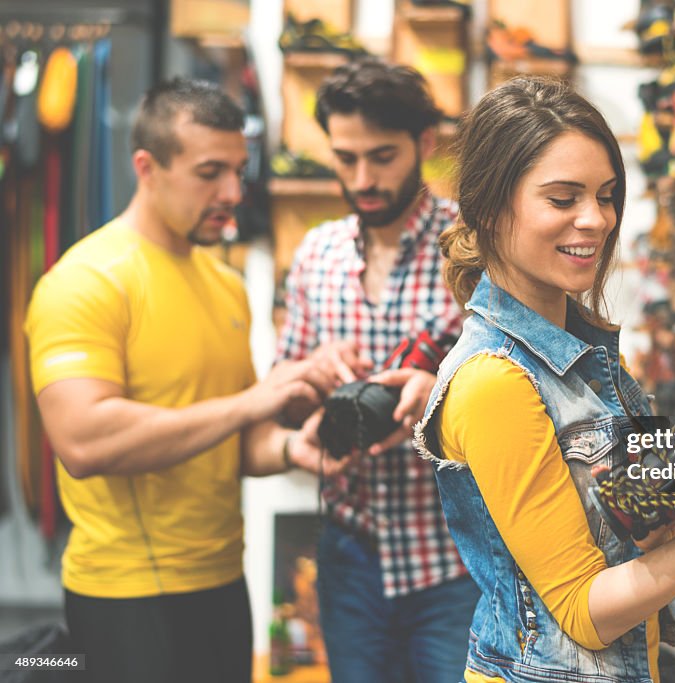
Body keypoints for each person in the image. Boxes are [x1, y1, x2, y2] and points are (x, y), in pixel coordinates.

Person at [413, 76, 675, 683]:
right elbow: (585, 613)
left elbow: (636, 541)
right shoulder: (493, 383)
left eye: (606, 195)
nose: (596, 220)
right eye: (563, 199)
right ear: (486, 207)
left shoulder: (589, 357)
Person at [24, 78, 332, 683]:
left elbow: (233, 439)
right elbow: (84, 441)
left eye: (239, 171)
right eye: (209, 172)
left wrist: (297, 447)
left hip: (221, 581)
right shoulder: (85, 282)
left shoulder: (223, 283)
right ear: (148, 167)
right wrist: (252, 402)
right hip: (126, 593)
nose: (232, 193)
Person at [275, 57, 478, 683]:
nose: (361, 178)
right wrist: (311, 373)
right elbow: (284, 400)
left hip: (456, 553)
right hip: (351, 551)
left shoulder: (474, 247)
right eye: (345, 158)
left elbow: (529, 388)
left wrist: (437, 392)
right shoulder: (317, 253)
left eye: (381, 157)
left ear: (422, 144)